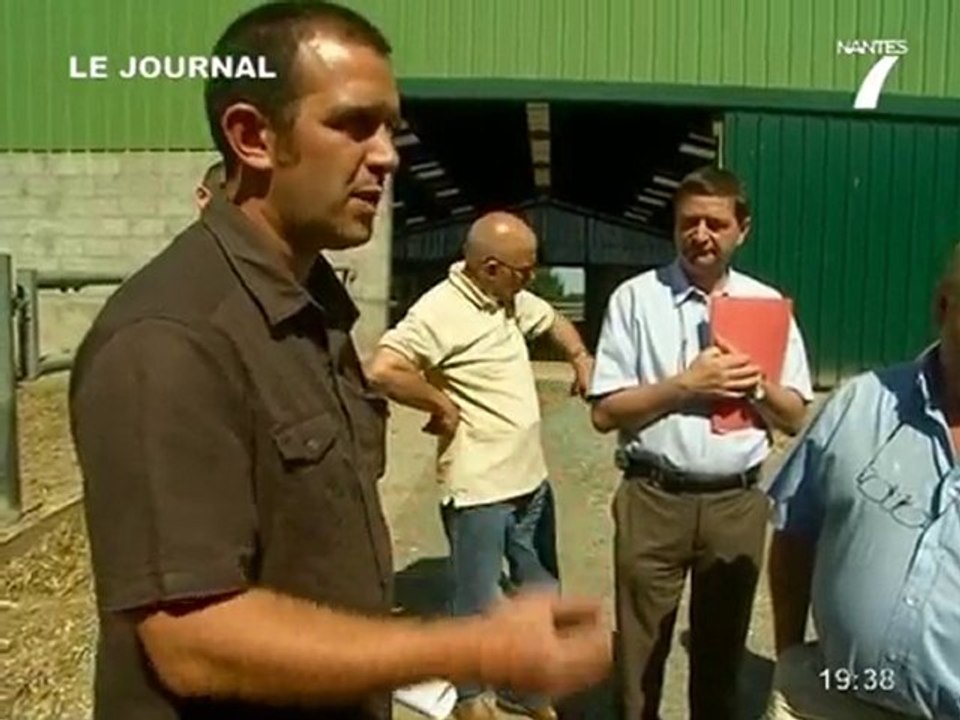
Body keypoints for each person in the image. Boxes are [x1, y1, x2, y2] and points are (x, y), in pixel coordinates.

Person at [68, 4, 611, 720]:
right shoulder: (172, 338)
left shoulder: (310, 311)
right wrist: (466, 648)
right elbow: (192, 639)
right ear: (252, 137)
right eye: (354, 124)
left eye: (389, 128)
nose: (387, 156)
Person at [587, 166, 814, 720]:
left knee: (721, 655)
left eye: (716, 223)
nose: (701, 234)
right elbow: (604, 413)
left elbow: (793, 416)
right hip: (653, 498)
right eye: (689, 222)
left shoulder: (767, 306)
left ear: (743, 230)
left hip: (736, 504)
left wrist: (754, 384)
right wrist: (685, 386)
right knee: (639, 655)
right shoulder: (635, 300)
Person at [367, 211, 596, 720]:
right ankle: (470, 697)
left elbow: (552, 320)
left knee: (540, 590)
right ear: (490, 267)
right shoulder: (439, 311)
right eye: (524, 270)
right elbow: (385, 368)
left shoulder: (510, 299)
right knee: (476, 598)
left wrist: (580, 356)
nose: (531, 279)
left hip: (530, 479)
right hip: (480, 488)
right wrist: (440, 404)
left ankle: (528, 691)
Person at [765, 244, 960, 719]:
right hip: (830, 698)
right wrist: (791, 658)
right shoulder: (858, 405)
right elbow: (794, 535)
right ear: (943, 306)